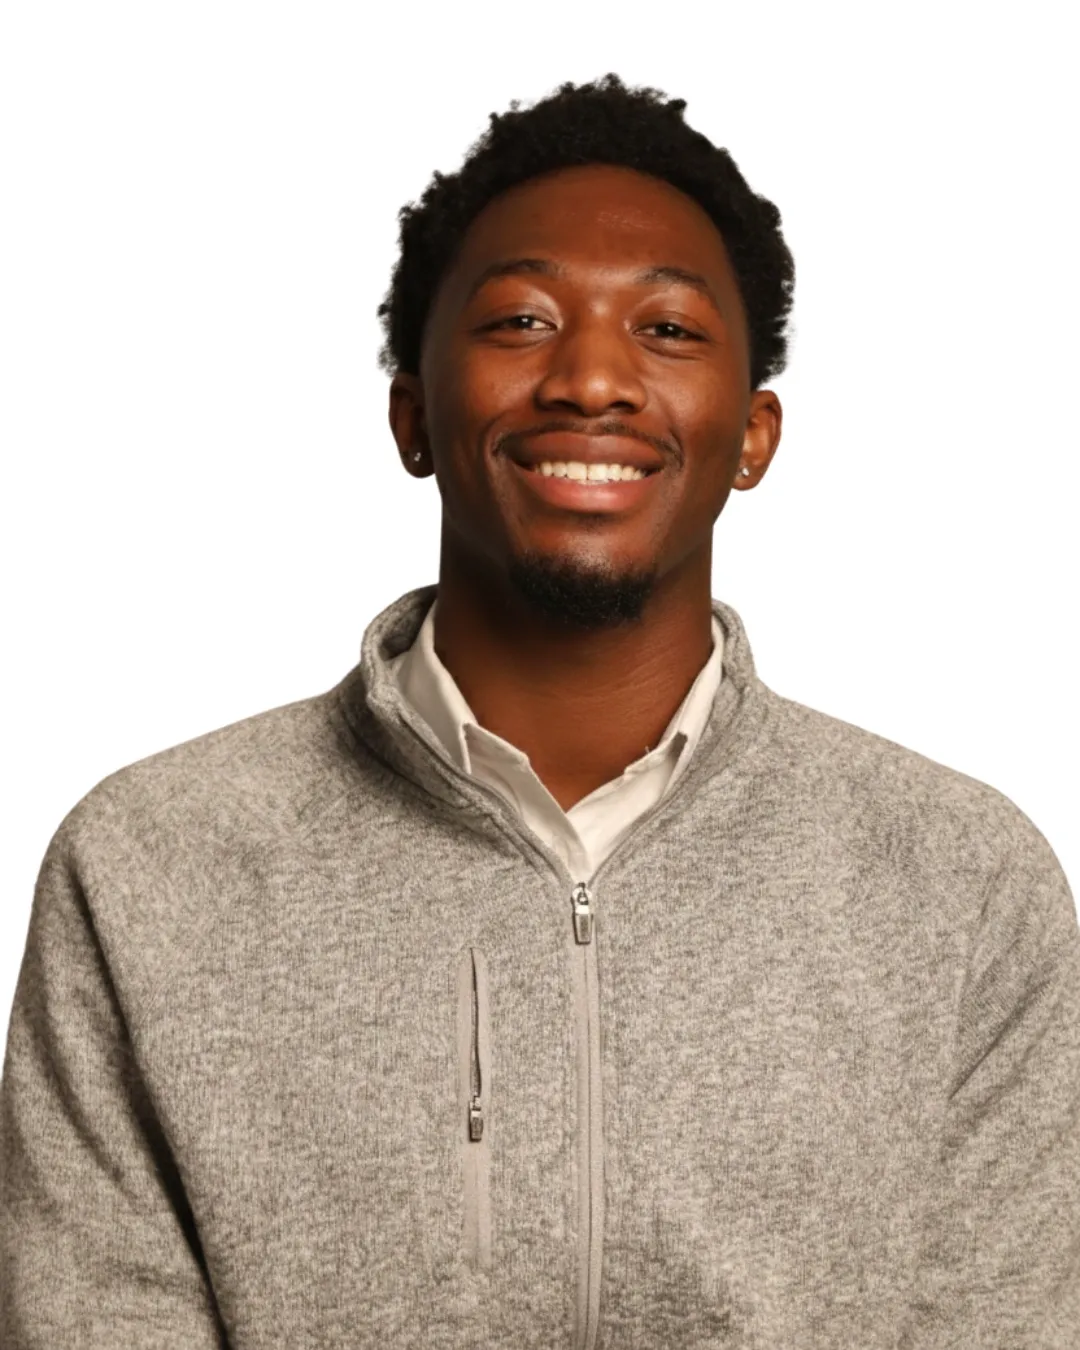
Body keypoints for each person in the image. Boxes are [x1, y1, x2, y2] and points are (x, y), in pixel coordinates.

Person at [1, 72, 1077, 1349]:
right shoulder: (149, 865)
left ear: (754, 435)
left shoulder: (960, 884)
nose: (592, 378)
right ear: (412, 413)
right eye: (520, 319)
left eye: (670, 332)